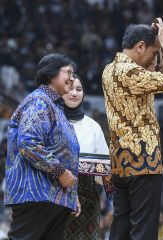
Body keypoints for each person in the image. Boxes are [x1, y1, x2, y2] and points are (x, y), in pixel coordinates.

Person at [102, 18, 163, 240]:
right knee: (144, 230)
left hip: (120, 163)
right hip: (143, 161)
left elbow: (159, 77)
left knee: (120, 226)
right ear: (140, 46)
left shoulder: (109, 70)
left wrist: (156, 57)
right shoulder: (131, 73)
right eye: (153, 52)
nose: (153, 58)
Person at [5, 53, 80, 240]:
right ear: (51, 74)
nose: (72, 78)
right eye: (68, 72)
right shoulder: (39, 101)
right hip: (35, 193)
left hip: (52, 196)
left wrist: (70, 195)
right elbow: (28, 142)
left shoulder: (55, 106)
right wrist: (60, 172)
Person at [63, 75, 109, 239]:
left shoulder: (93, 127)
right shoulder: (50, 122)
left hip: (88, 201)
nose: (74, 93)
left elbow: (105, 169)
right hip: (54, 198)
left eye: (79, 89)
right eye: (70, 88)